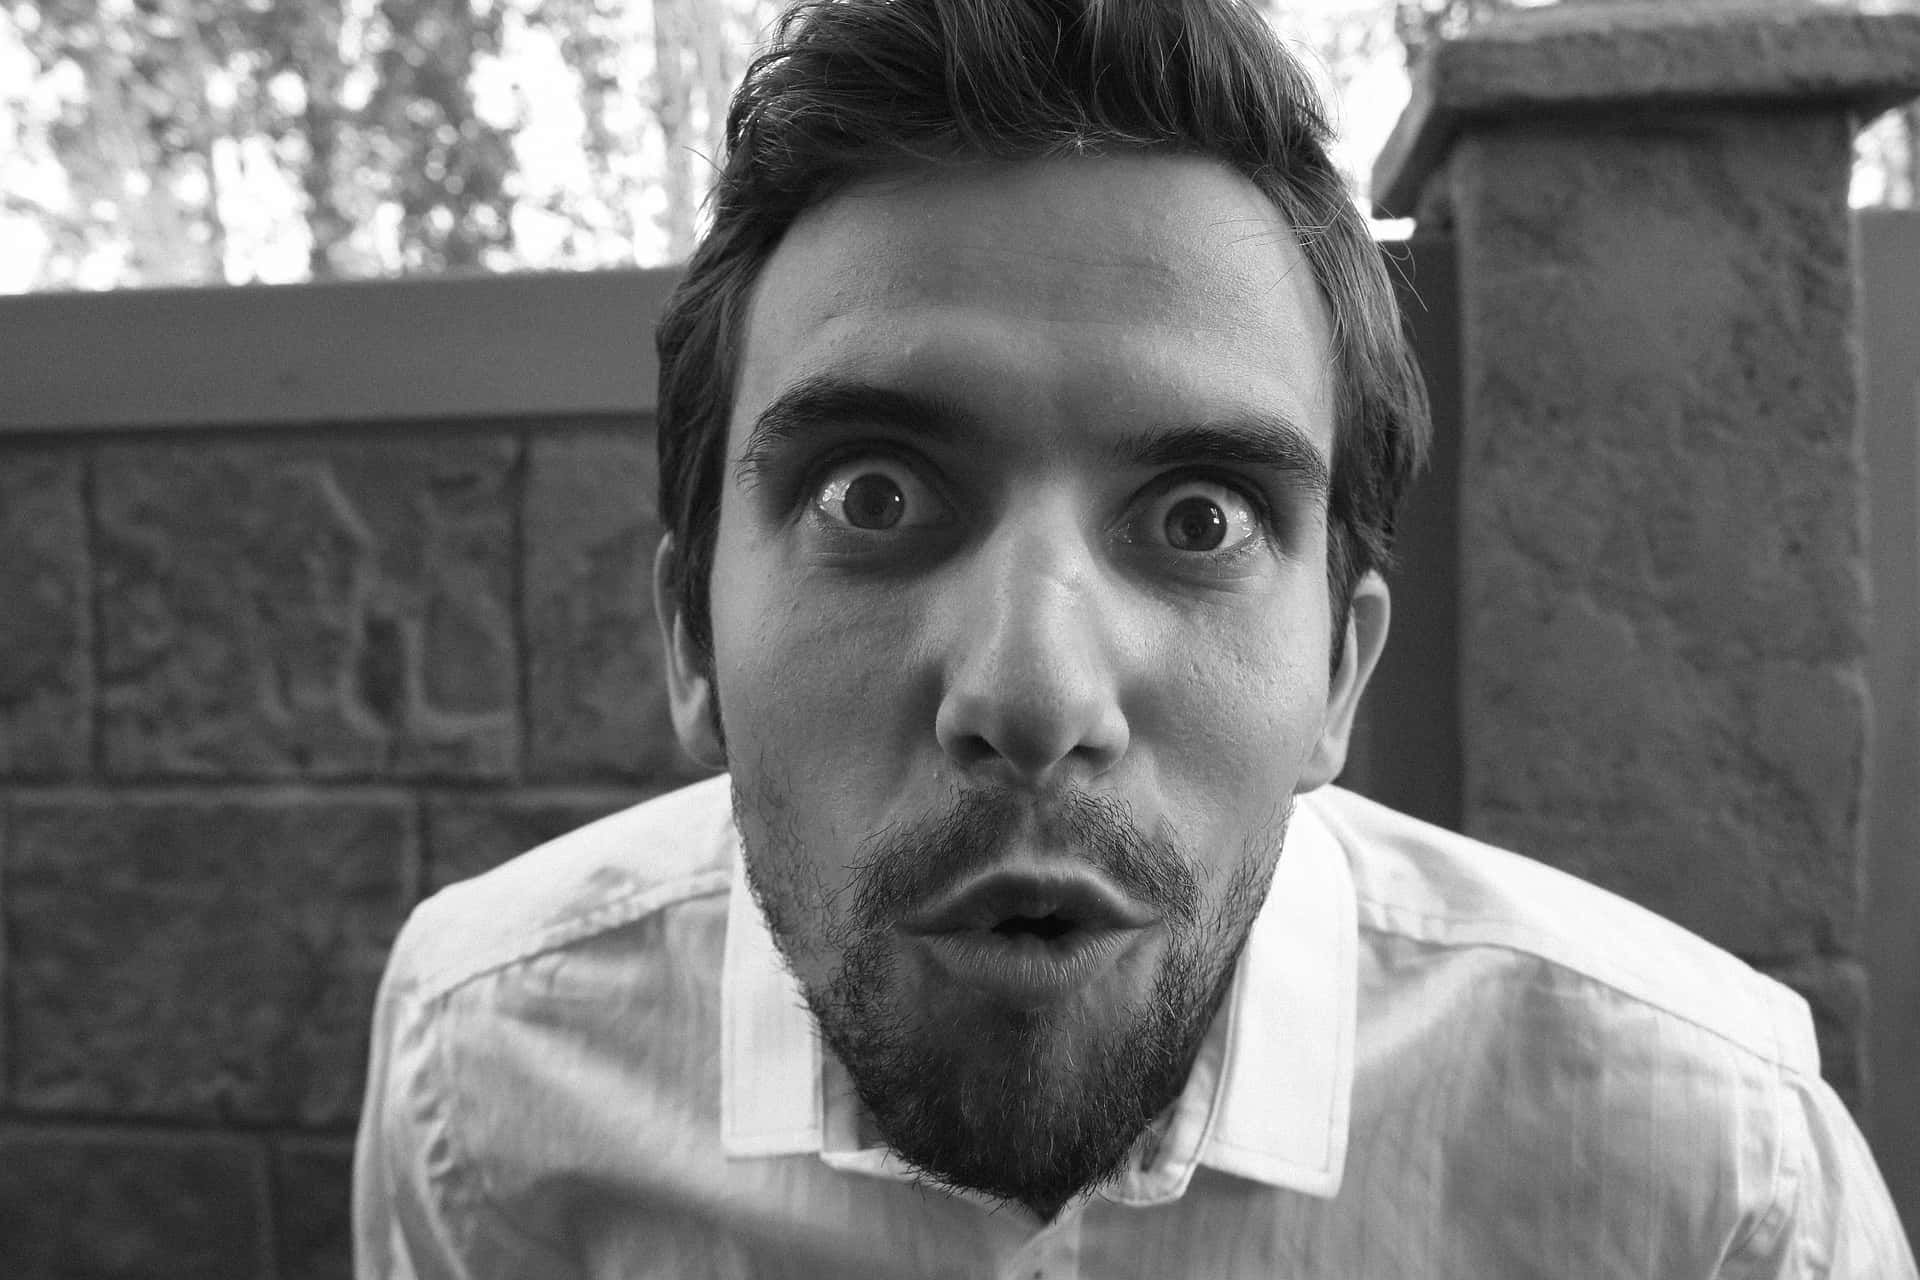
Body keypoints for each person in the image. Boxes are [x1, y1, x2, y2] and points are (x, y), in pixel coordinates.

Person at [352, 0, 1917, 1273]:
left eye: (1199, 518)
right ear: (691, 639)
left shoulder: (1720, 1186)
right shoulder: (484, 1076)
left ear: (1339, 676)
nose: (1034, 693)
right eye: (874, 494)